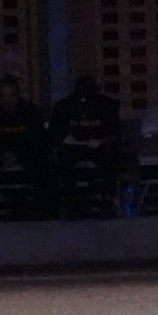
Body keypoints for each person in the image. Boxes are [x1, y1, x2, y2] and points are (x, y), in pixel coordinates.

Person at [0, 75, 47, 218]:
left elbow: (39, 142)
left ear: (18, 94)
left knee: (44, 167)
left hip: (26, 157)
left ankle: (43, 214)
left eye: (12, 95)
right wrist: (1, 158)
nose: (8, 100)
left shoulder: (31, 112)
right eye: (4, 96)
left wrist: (19, 157)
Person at [49, 75, 124, 216]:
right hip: (73, 147)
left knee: (111, 156)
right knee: (64, 158)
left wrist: (101, 141)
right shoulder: (64, 106)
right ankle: (70, 201)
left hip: (99, 147)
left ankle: (107, 200)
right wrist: (70, 140)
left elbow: (115, 134)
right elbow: (55, 135)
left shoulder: (107, 105)